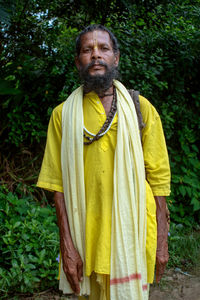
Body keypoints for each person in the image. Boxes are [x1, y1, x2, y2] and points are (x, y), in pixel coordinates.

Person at [37, 24, 171, 300]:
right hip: (87, 236)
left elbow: (158, 180)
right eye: (87, 50)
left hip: (133, 233)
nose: (96, 55)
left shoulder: (140, 108)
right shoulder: (63, 115)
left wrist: (161, 242)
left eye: (104, 49)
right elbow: (57, 185)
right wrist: (67, 246)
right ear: (78, 61)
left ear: (116, 58)